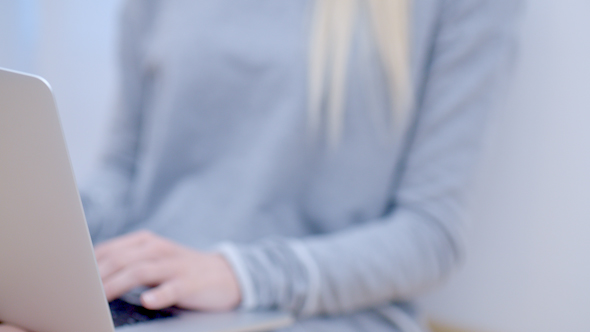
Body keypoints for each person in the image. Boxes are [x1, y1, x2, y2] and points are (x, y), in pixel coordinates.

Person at [1, 0, 520, 331]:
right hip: (147, 300)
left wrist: (242, 274)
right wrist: (41, 245)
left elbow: (430, 235)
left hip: (318, 310)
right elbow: (123, 171)